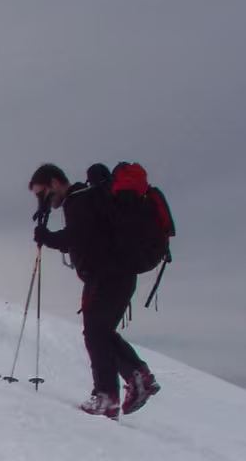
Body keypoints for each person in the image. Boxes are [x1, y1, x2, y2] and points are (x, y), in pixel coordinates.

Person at [30, 162, 162, 418]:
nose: (42, 200)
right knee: (100, 332)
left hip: (106, 276)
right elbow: (87, 238)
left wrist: (47, 237)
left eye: (41, 193)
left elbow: (76, 236)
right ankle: (138, 377)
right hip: (118, 274)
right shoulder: (89, 198)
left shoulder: (79, 200)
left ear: (55, 183)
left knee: (95, 332)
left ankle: (107, 396)